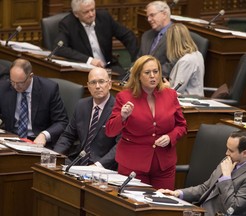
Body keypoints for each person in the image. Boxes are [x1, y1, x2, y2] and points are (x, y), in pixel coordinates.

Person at [105, 55, 187, 190]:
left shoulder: (170, 95)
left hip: (164, 166)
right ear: (138, 75)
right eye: (147, 73)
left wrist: (170, 136)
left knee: (163, 207)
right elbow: (110, 131)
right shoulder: (124, 97)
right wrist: (123, 116)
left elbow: (182, 126)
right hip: (133, 166)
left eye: (156, 72)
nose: (153, 76)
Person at [158, 130, 246, 216]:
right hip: (200, 210)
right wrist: (179, 193)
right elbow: (206, 188)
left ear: (245, 153)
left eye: (231, 150)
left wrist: (226, 178)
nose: (226, 153)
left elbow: (233, 208)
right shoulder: (228, 160)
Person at [54, 67, 119, 170]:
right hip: (78, 161)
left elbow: (119, 146)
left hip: (102, 167)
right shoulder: (82, 105)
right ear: (88, 86)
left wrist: (98, 166)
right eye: (93, 82)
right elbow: (68, 135)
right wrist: (55, 155)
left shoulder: (118, 110)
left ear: (109, 84)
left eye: (101, 82)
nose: (97, 86)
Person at [55, 0, 138, 79]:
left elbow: (127, 35)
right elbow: (60, 48)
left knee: (126, 82)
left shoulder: (104, 17)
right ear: (76, 14)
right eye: (86, 12)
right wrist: (89, 60)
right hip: (85, 70)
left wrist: (136, 60)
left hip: (108, 66)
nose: (91, 14)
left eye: (92, 10)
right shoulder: (67, 24)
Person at [0, 58, 68, 148]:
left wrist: (44, 135)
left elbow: (62, 122)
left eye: (20, 83)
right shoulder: (4, 87)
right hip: (11, 138)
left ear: (30, 76)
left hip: (36, 141)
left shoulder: (48, 89)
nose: (15, 86)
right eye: (13, 82)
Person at [165, 23, 205, 96]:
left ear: (172, 42)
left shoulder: (186, 61)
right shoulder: (198, 54)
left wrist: (166, 86)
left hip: (187, 102)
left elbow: (176, 91)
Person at [137, 1, 173, 78]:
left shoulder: (175, 35)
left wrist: (148, 76)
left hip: (162, 82)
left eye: (152, 15)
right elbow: (139, 59)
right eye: (148, 17)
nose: (149, 19)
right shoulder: (146, 35)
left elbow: (172, 65)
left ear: (164, 14)